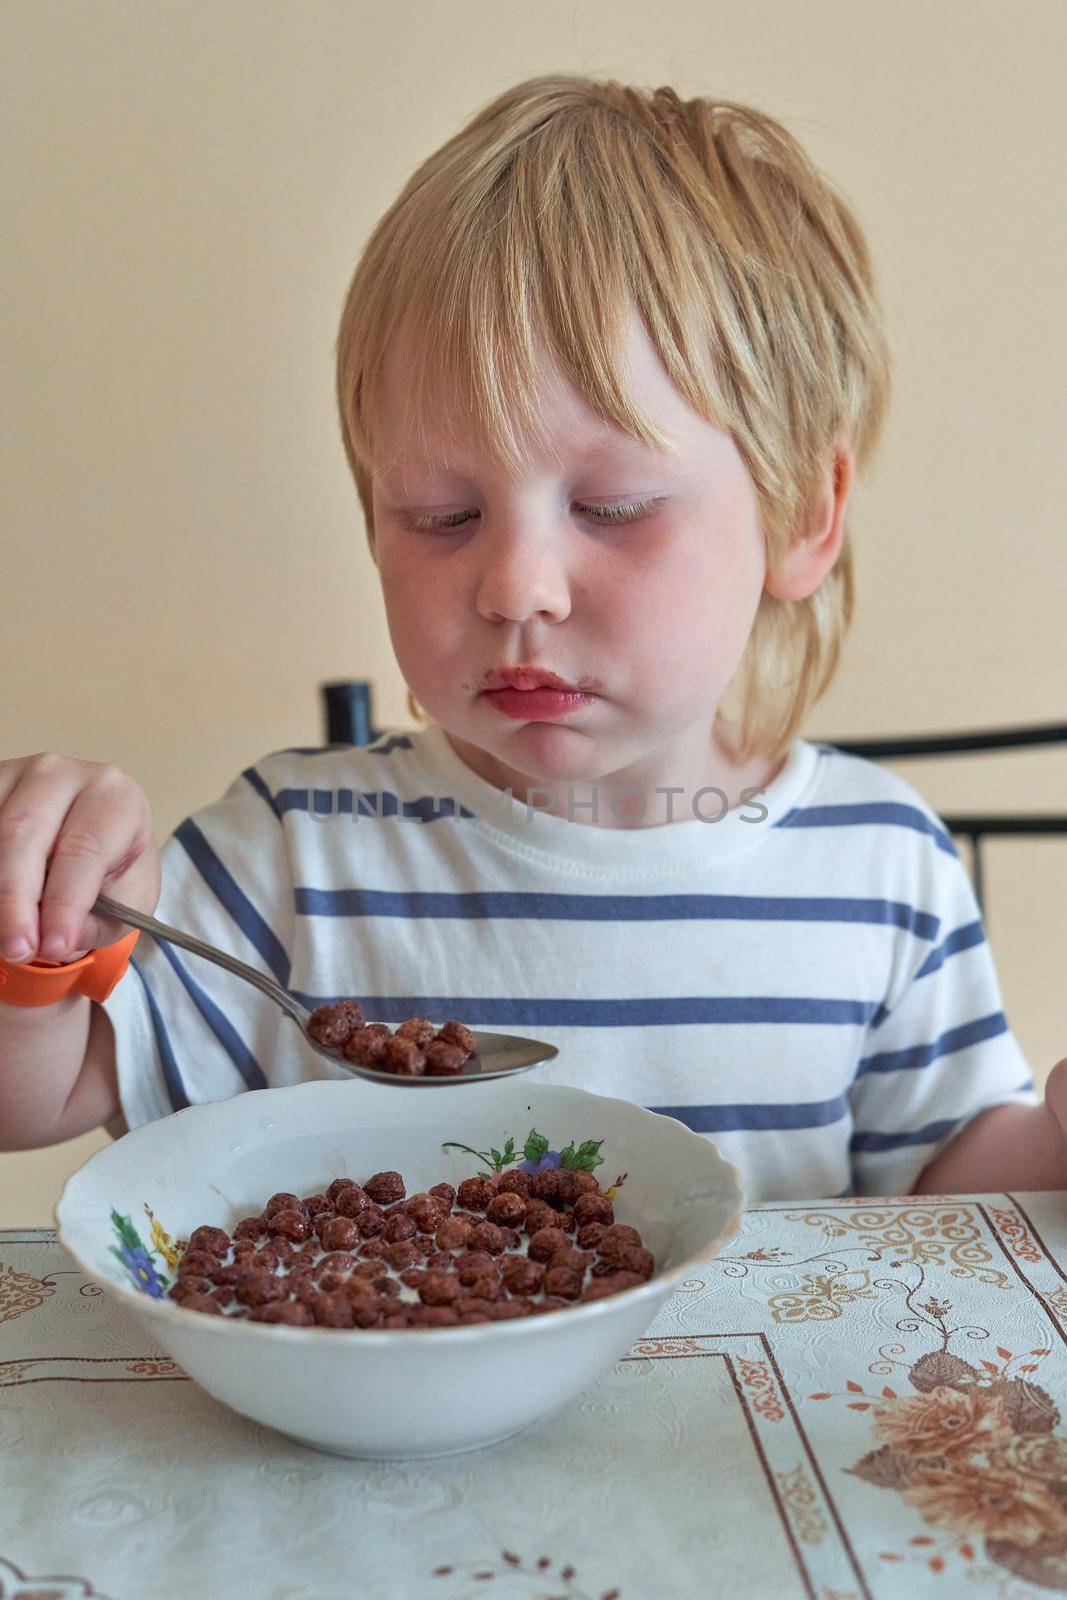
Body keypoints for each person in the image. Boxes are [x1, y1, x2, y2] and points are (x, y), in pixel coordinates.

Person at [1, 74, 1063, 1202]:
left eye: (610, 507)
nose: (516, 587)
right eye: (440, 516)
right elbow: (41, 1095)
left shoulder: (879, 866)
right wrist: (32, 925)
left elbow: (950, 1196)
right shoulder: (297, 851)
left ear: (802, 514)